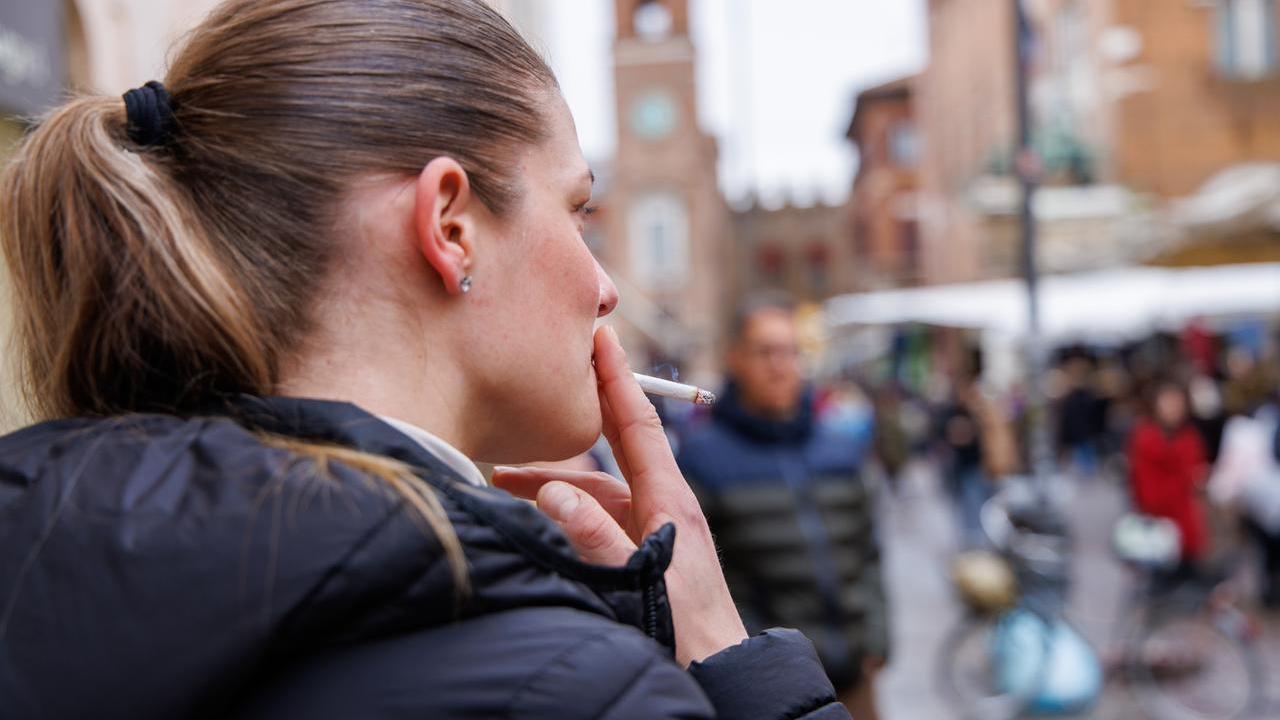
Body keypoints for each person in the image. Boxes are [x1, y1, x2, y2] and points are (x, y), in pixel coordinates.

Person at [0, 2, 849, 718]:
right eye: (578, 211)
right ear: (450, 227)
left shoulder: (36, 550)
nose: (605, 288)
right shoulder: (575, 688)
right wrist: (727, 657)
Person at [677, 293, 888, 720]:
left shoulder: (838, 448)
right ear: (736, 358)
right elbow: (702, 577)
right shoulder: (704, 458)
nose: (780, 365)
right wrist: (754, 654)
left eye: (790, 352)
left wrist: (877, 637)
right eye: (765, 352)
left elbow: (869, 551)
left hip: (853, 675)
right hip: (773, 685)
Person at [1128, 381, 1210, 573]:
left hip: (1186, 526)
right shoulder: (1145, 438)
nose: (1173, 409)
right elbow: (1142, 486)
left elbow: (1196, 474)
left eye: (1177, 403)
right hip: (1155, 529)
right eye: (1168, 402)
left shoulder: (1190, 437)